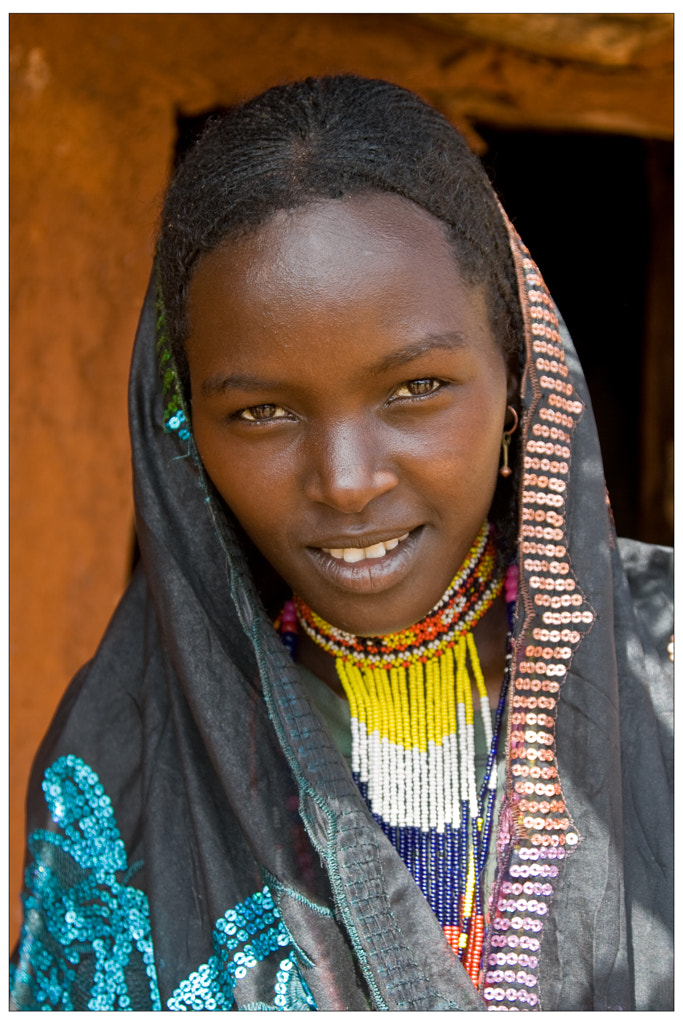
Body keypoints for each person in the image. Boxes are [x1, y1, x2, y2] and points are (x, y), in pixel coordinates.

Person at [10, 75, 673, 1012]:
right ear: (185, 435)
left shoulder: (666, 666)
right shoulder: (117, 762)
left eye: (415, 390)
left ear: (518, 374)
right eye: (263, 411)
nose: (347, 480)